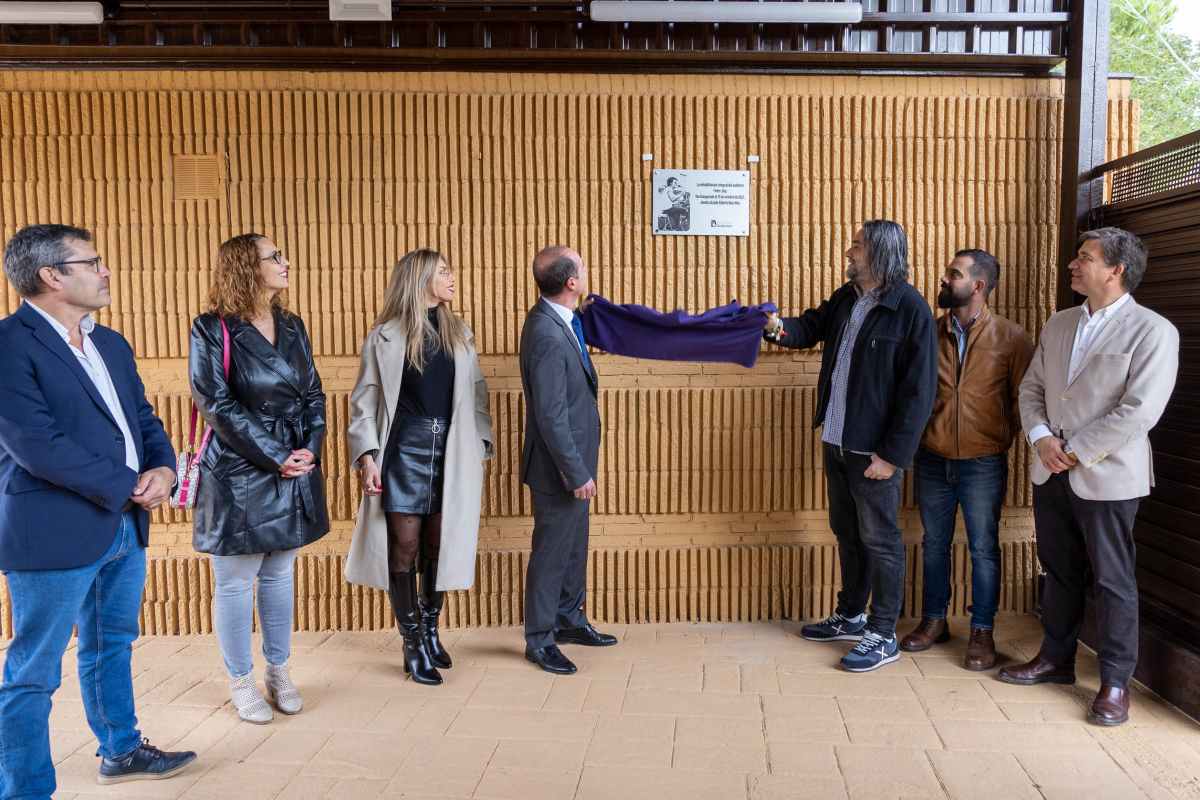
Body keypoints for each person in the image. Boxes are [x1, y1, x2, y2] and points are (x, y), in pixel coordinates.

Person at [0, 224, 197, 796]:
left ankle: (121, 748)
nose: (106, 271)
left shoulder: (109, 343)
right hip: (52, 530)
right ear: (51, 276)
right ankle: (26, 789)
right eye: (93, 262)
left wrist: (163, 470)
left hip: (123, 526)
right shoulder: (9, 344)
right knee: (33, 672)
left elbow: (142, 419)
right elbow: (35, 445)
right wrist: (130, 483)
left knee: (111, 644)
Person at [999, 228, 1179, 726]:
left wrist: (1074, 450)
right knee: (1059, 571)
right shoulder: (1058, 324)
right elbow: (1032, 388)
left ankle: (1116, 682)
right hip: (1049, 468)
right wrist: (1039, 436)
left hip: (1107, 475)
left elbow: (1140, 411)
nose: (1074, 265)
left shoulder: (1153, 331)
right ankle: (1055, 660)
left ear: (1115, 270)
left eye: (1085, 258)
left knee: (1113, 579)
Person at [764, 220, 937, 672]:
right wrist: (778, 327)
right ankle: (851, 614)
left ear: (879, 253)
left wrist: (892, 456)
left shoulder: (910, 310)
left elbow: (918, 394)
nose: (849, 251)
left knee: (881, 540)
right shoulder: (848, 298)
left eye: (857, 246)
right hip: (837, 438)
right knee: (847, 530)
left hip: (873, 452)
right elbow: (811, 326)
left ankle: (882, 634)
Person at [189, 233, 330, 723]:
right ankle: (240, 680)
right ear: (247, 266)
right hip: (239, 469)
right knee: (234, 582)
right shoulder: (211, 328)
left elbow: (313, 391)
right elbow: (215, 403)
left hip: (294, 462)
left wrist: (309, 449)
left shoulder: (292, 325)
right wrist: (276, 455)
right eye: (275, 256)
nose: (285, 262)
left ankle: (279, 670)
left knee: (279, 575)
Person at [345, 248, 494, 686]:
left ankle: (431, 630)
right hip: (403, 450)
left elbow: (478, 393)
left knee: (437, 544)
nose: (452, 278)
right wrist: (367, 456)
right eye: (443, 272)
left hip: (452, 448)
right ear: (420, 279)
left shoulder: (460, 333)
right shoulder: (385, 336)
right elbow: (364, 400)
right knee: (404, 546)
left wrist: (481, 442)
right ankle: (412, 642)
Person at [899, 250, 1033, 670]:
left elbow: (1022, 400)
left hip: (983, 463)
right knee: (934, 545)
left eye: (953, 274)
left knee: (983, 549)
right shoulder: (927, 332)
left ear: (977, 285)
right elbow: (912, 391)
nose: (943, 278)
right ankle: (935, 621)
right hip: (933, 458)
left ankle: (982, 632)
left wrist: (998, 438)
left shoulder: (1012, 339)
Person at [519, 246, 617, 675]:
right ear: (571, 282)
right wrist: (576, 471)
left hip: (575, 460)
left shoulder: (565, 320)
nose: (588, 270)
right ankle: (540, 640)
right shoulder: (544, 331)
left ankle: (570, 620)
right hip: (559, 466)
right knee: (552, 551)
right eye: (583, 266)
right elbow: (550, 413)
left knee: (574, 548)